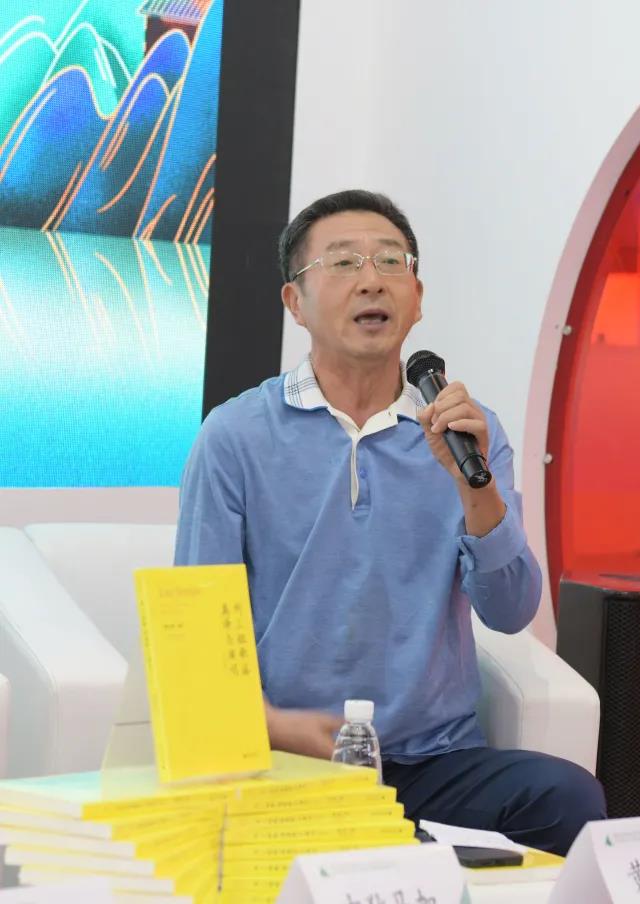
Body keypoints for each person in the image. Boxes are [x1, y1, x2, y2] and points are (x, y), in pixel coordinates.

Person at [174, 189, 606, 854]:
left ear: (418, 297)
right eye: (344, 263)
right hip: (292, 760)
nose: (372, 279)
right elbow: (197, 646)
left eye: (391, 262)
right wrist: (280, 730)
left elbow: (511, 611)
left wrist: (472, 486)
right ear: (295, 302)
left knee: (567, 799)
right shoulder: (235, 437)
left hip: (433, 762)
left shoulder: (470, 432)